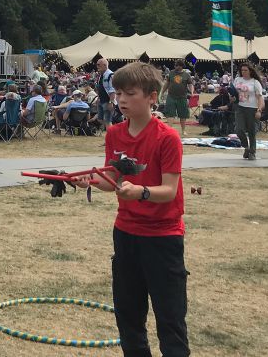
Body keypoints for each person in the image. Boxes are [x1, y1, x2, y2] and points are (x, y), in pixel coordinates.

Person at [72, 61, 188, 357]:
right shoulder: (114, 134)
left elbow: (169, 191)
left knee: (170, 319)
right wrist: (91, 182)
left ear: (152, 96)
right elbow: (114, 181)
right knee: (129, 315)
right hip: (126, 233)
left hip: (163, 237)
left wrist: (142, 192)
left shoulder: (167, 138)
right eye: (118, 92)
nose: (121, 99)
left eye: (130, 93)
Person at [233, 62, 264, 160]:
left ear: (250, 71)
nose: (243, 72)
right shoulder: (238, 80)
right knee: (238, 130)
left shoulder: (255, 82)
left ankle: (252, 152)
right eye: (242, 70)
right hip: (240, 107)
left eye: (246, 70)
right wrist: (232, 97)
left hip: (252, 108)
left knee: (252, 132)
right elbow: (234, 92)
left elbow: (260, 98)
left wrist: (259, 110)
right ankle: (246, 146)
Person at [159, 59, 194, 137]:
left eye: (177, 65)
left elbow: (190, 84)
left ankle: (183, 130)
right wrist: (162, 92)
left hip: (182, 98)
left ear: (181, 66)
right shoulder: (171, 73)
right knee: (170, 114)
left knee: (183, 115)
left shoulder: (186, 75)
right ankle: (168, 131)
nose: (175, 66)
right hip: (171, 96)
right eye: (175, 65)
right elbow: (167, 83)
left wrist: (191, 92)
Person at [95, 58, 116, 126]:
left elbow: (112, 90)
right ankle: (113, 130)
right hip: (101, 101)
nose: (97, 66)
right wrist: (98, 98)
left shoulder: (110, 75)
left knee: (108, 120)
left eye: (98, 64)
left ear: (104, 65)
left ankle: (111, 133)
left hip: (107, 101)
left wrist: (111, 102)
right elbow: (100, 88)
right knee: (99, 119)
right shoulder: (101, 75)